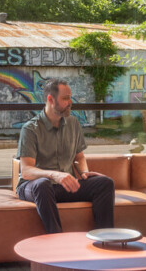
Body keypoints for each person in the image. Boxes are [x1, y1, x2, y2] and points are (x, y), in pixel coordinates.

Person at [15, 78, 115, 234]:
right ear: (50, 100)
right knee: (43, 184)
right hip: (34, 187)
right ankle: (57, 238)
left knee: (105, 183)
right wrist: (55, 174)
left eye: (70, 97)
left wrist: (84, 172)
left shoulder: (73, 124)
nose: (70, 102)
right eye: (65, 98)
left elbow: (79, 157)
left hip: (63, 188)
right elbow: (26, 171)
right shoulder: (30, 129)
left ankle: (105, 237)